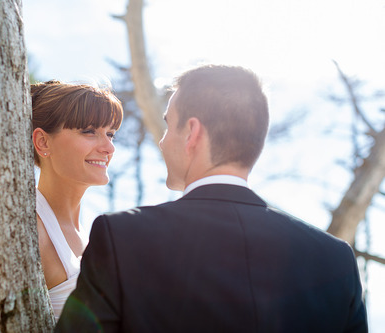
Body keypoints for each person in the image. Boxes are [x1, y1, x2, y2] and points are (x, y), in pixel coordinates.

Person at [55, 65, 368, 332]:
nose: (162, 143)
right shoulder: (336, 259)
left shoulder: (121, 238)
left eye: (167, 125)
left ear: (192, 133)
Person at [31, 80, 123, 322]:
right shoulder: (30, 232)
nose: (109, 147)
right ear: (43, 142)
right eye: (89, 131)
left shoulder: (89, 235)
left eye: (110, 134)